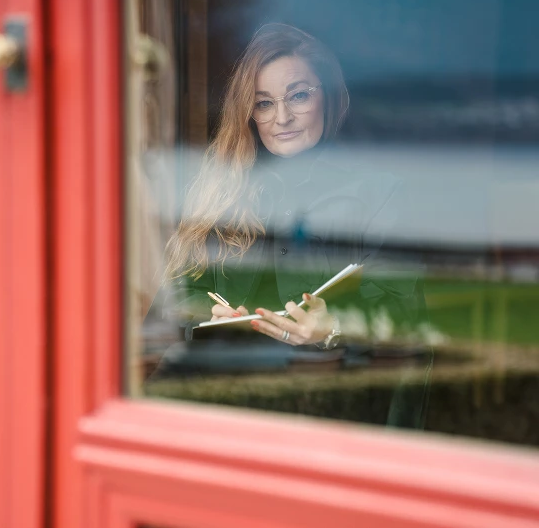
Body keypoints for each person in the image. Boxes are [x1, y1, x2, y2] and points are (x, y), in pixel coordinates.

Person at [157, 23, 430, 427]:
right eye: (264, 103)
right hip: (229, 411)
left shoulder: (380, 194)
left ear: (333, 99)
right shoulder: (222, 189)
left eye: (298, 96)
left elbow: (408, 323)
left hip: (340, 415)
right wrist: (208, 318)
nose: (281, 117)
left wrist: (336, 329)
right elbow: (178, 300)